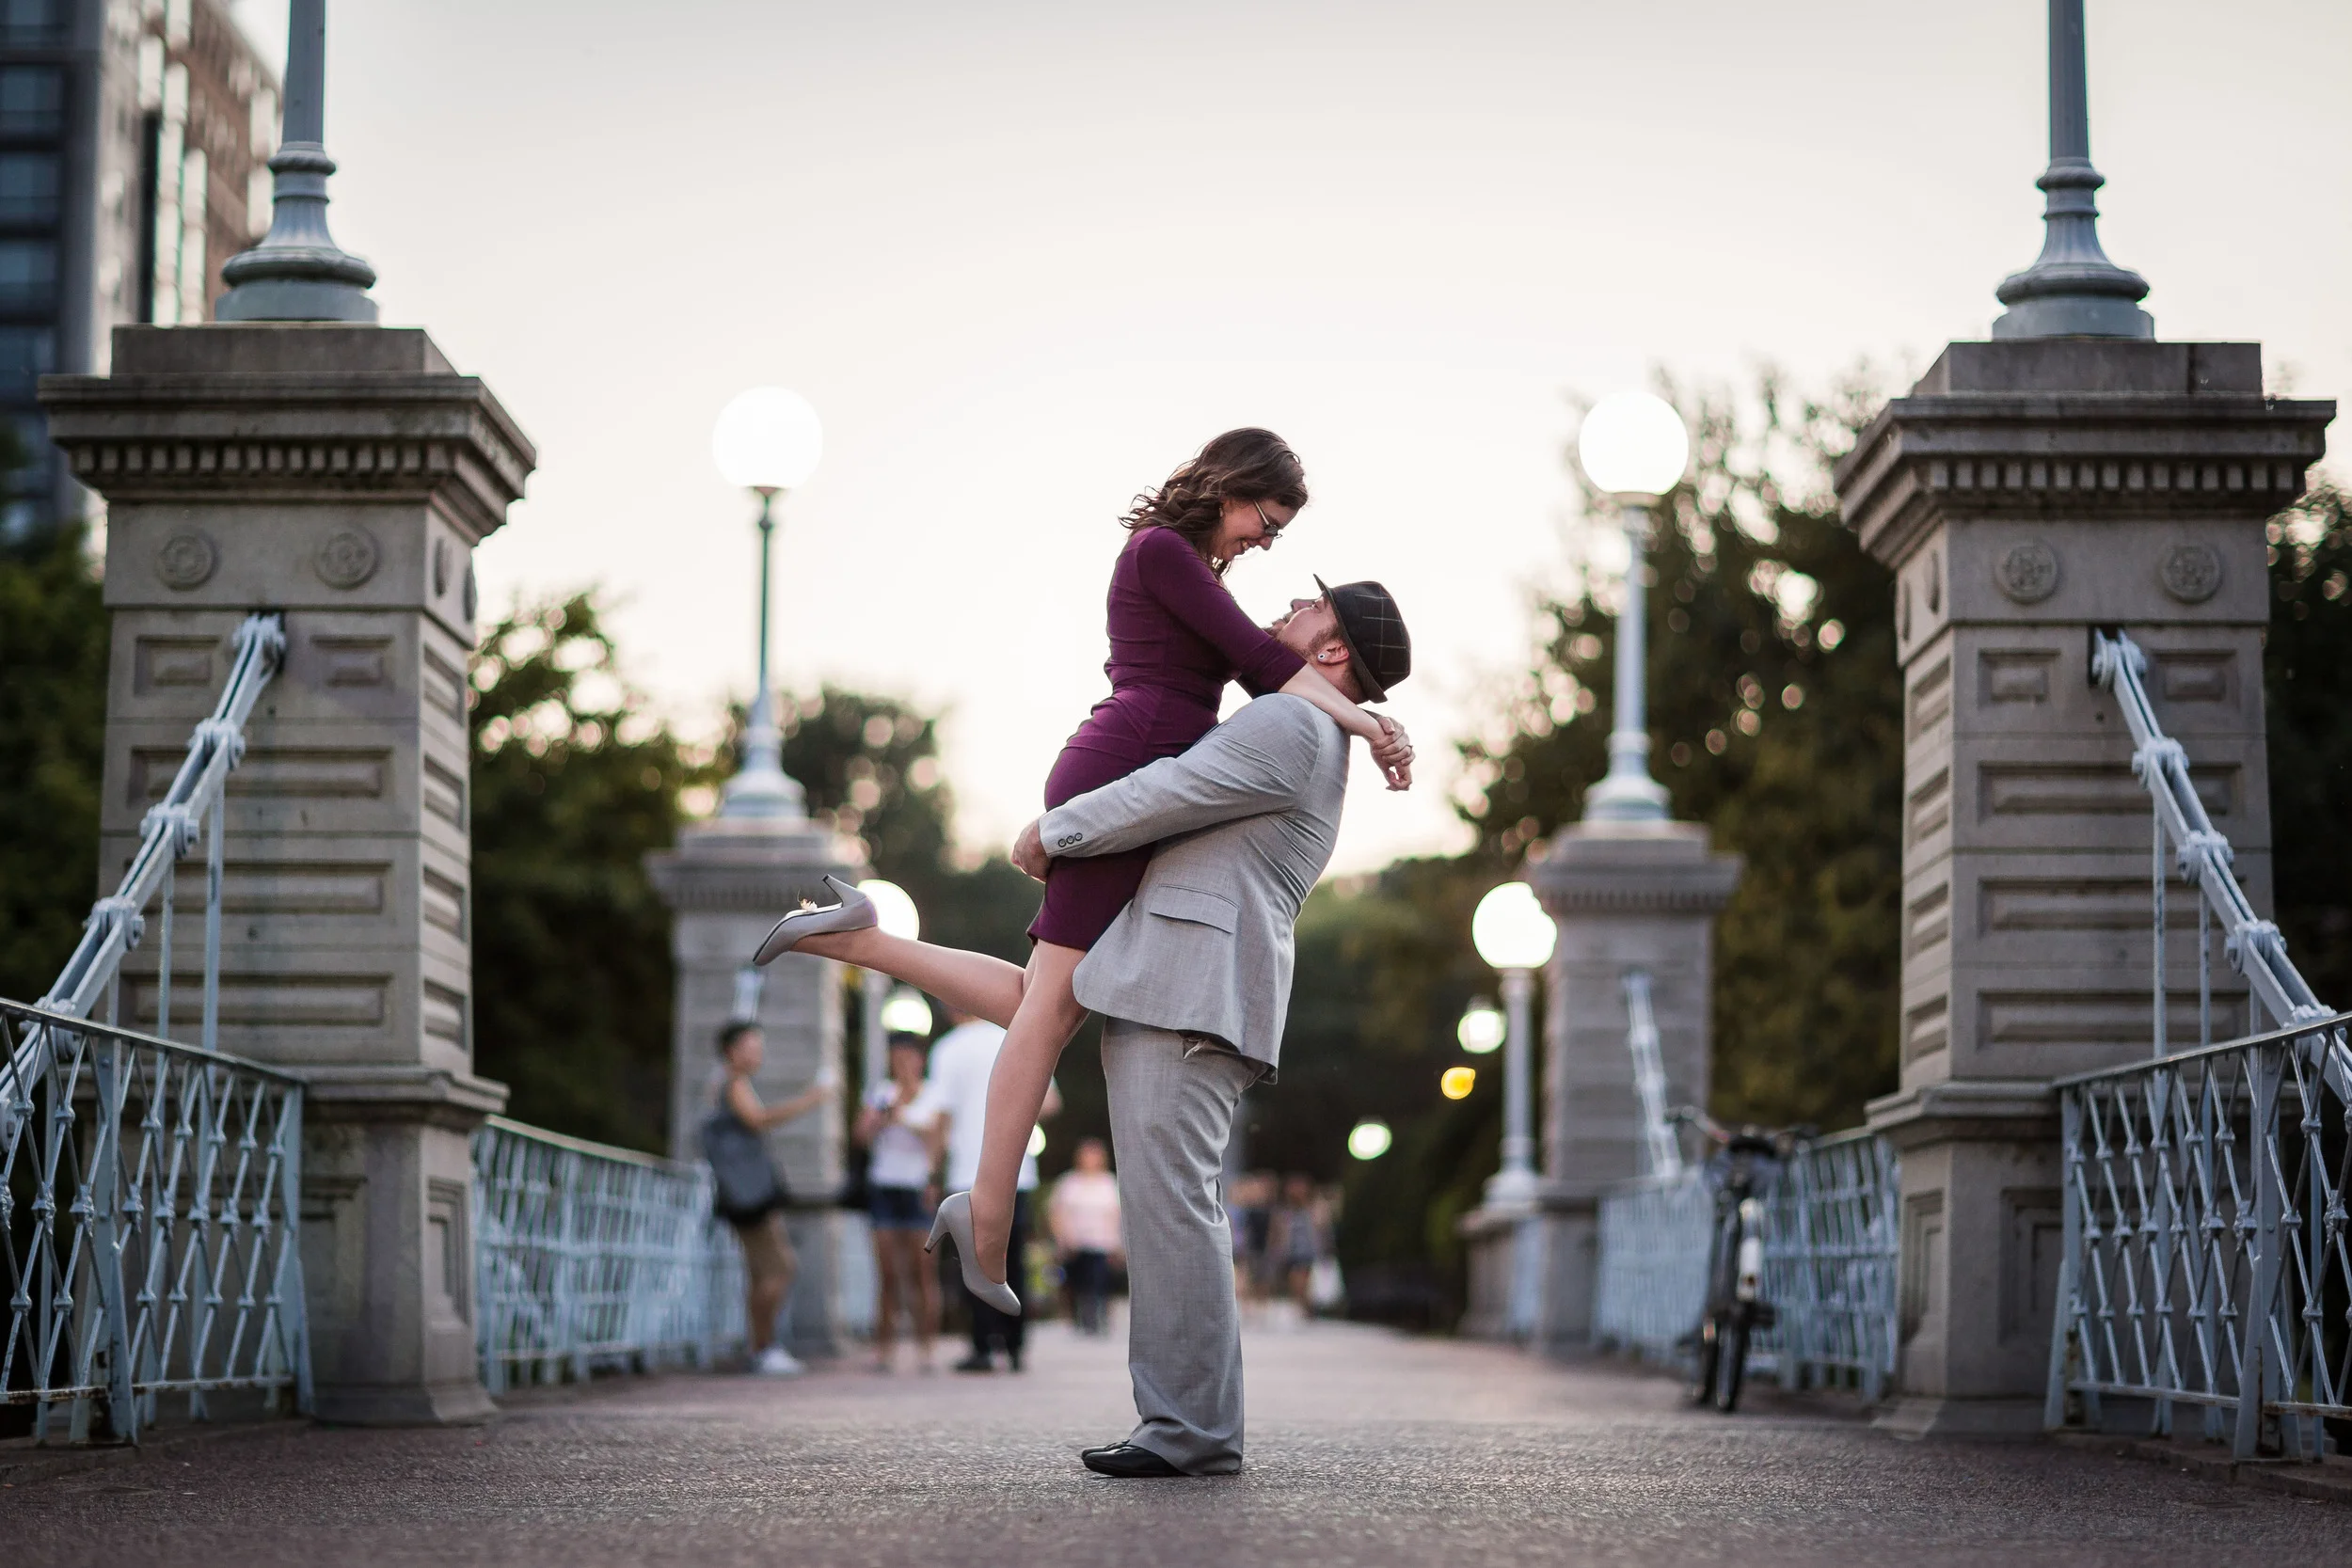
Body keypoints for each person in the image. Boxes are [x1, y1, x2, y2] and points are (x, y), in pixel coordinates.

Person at [758, 577, 1410, 1475]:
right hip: (1180, 974)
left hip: (1191, 990)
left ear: (1334, 649)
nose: (1282, 612)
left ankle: (1189, 1430)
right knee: (1047, 1009)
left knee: (1173, 1210)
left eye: (1308, 608)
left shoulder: (1293, 727)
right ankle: (863, 939)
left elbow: (1170, 789)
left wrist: (1051, 830)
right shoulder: (1313, 725)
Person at [755, 431, 1413, 1311]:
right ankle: (986, 1223)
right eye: (1267, 519)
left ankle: (863, 939)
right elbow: (1268, 669)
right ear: (1231, 487)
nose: (1267, 541)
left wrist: (1369, 715)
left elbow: (1277, 671)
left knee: (1042, 991)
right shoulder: (1163, 553)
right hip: (1127, 762)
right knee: (1052, 1012)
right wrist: (1371, 728)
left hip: (1136, 760)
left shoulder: (1194, 570)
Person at [919, 1007, 1061, 1372]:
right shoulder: (1013, 1036)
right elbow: (1049, 1103)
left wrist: (933, 1172)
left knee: (973, 1261)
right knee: (1013, 1258)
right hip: (1017, 1170)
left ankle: (982, 1347)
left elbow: (941, 1117)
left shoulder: (948, 1049)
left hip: (968, 1170)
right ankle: (1015, 1346)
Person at [705, 1022, 837, 1377]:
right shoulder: (734, 1083)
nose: (758, 1052)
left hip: (740, 1193)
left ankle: (759, 1347)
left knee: (761, 1272)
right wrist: (811, 1098)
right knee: (781, 1267)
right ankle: (763, 1347)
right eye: (752, 1045)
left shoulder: (724, 1082)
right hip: (750, 1196)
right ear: (732, 1050)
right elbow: (759, 1119)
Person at [855, 1033, 945, 1373]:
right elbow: (861, 1136)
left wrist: (904, 1113)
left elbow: (936, 1138)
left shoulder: (933, 1095)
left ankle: (927, 1348)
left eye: (909, 1057)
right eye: (897, 1058)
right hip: (885, 1187)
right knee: (888, 1273)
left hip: (917, 1188)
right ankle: (884, 1348)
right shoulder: (880, 1093)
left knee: (923, 1273)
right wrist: (882, 1115)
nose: (903, 1064)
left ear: (920, 1060)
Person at [1048, 1137, 1122, 1335]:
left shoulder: (1109, 1183)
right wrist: (1061, 1239)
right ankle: (1079, 1317)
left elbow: (1116, 1214)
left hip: (1102, 1242)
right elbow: (1056, 1212)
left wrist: (1118, 1243)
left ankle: (1098, 1315)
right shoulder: (1069, 1183)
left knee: (1099, 1280)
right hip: (1076, 1242)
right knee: (1078, 1281)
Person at [1266, 1174, 1327, 1315]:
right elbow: (1276, 1234)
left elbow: (1322, 1231)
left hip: (1308, 1251)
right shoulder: (1284, 1212)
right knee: (1295, 1282)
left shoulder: (1313, 1209)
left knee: (1302, 1281)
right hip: (1291, 1251)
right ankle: (1304, 1307)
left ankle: (1307, 1308)